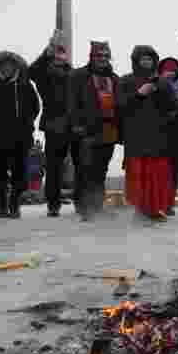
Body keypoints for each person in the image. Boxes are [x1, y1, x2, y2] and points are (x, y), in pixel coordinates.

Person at [118, 46, 177, 223]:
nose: (146, 62)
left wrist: (161, 89)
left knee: (156, 175)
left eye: (149, 59)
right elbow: (120, 106)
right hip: (135, 135)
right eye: (143, 59)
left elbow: (172, 106)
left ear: (154, 61)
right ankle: (140, 207)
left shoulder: (162, 82)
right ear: (136, 61)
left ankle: (155, 209)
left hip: (158, 135)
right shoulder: (126, 81)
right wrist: (138, 95)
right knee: (139, 174)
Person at [0, 51, 39, 219]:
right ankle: (2, 204)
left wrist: (27, 125)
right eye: (3, 66)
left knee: (20, 174)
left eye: (10, 66)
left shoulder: (26, 86)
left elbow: (35, 108)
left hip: (21, 138)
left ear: (16, 67)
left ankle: (14, 202)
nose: (7, 69)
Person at [28, 30, 80, 217]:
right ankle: (53, 204)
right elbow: (30, 71)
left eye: (62, 54)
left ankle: (81, 203)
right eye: (56, 54)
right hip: (53, 125)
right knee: (54, 167)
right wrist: (46, 51)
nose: (60, 57)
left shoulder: (75, 74)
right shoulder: (44, 73)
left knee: (80, 165)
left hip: (75, 126)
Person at [67, 41, 120, 222]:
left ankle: (97, 205)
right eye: (99, 55)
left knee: (101, 169)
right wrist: (76, 124)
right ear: (92, 57)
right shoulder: (78, 75)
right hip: (86, 130)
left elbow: (119, 104)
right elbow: (71, 102)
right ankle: (84, 207)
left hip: (109, 129)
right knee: (85, 169)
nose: (103, 59)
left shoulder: (114, 78)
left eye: (106, 56)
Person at [157, 56, 178, 214]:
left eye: (173, 70)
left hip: (177, 137)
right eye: (166, 70)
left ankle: (169, 204)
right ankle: (159, 203)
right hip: (159, 135)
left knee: (173, 172)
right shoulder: (155, 87)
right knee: (159, 171)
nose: (170, 73)